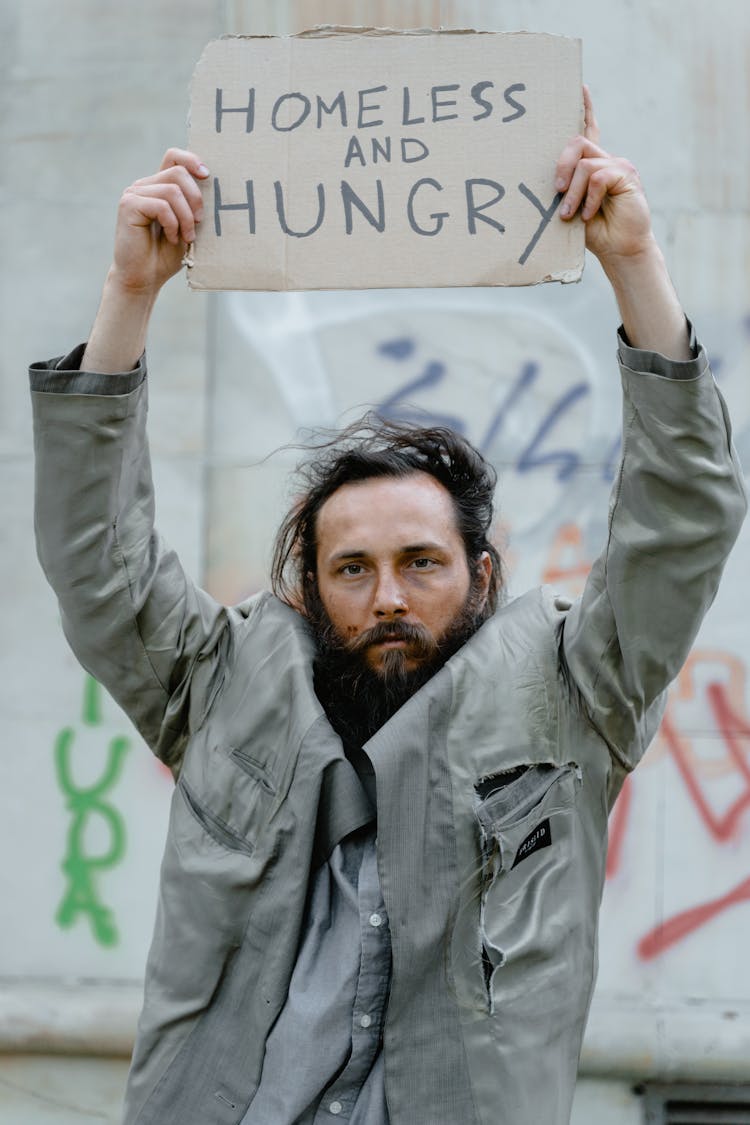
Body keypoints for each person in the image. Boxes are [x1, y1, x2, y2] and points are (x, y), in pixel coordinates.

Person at [30, 90, 746, 1125]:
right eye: (352, 570)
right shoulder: (223, 686)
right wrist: (128, 293)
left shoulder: (575, 697)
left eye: (422, 561)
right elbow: (97, 565)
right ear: (309, 588)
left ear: (482, 575)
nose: (390, 597)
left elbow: (681, 529)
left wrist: (633, 264)